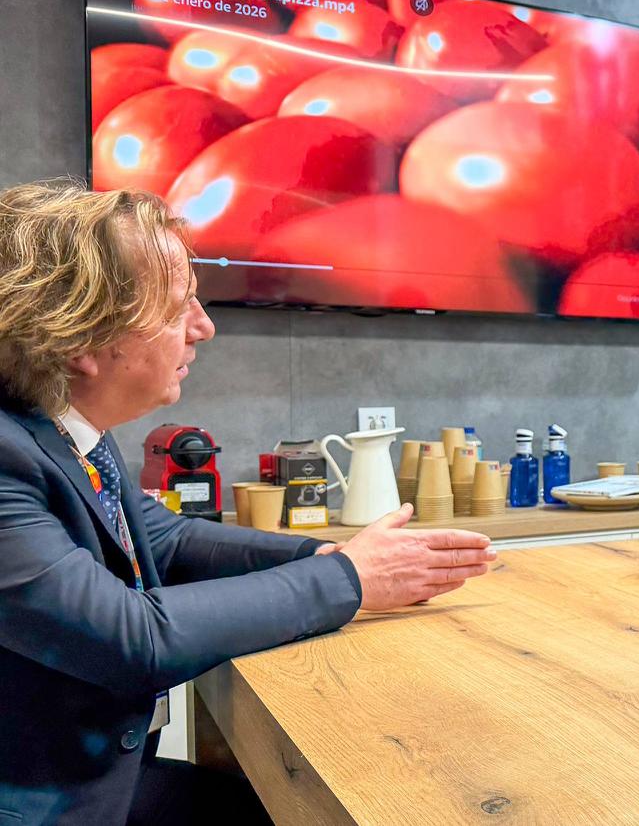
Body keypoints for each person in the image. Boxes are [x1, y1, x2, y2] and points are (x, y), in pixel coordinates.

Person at [0, 181, 497, 824]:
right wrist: (350, 578)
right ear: (82, 341)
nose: (204, 327)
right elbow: (130, 638)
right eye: (177, 307)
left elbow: (169, 539)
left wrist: (330, 555)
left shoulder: (64, 431)